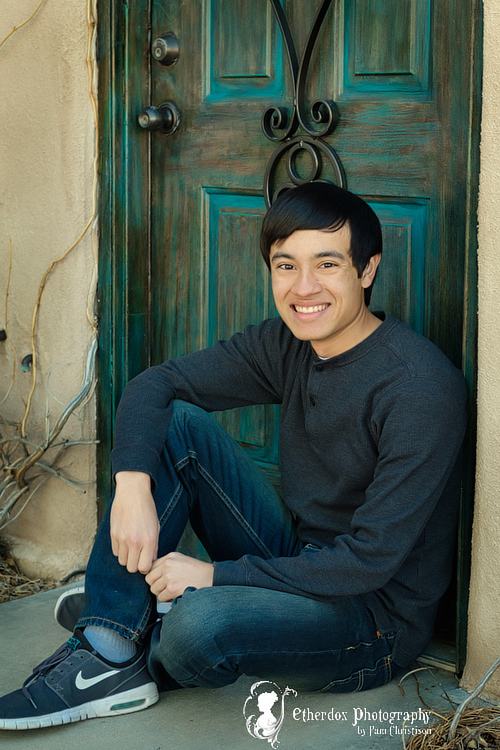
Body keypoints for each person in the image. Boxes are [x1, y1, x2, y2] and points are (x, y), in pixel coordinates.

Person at [0, 182, 467, 731]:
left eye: (327, 264)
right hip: (297, 557)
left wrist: (214, 576)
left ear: (366, 270)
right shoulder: (288, 343)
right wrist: (131, 487)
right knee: (176, 425)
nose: (304, 287)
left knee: (199, 627)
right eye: (285, 265)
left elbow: (366, 562)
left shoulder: (418, 389)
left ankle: (138, 624)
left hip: (372, 622)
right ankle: (108, 647)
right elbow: (158, 385)